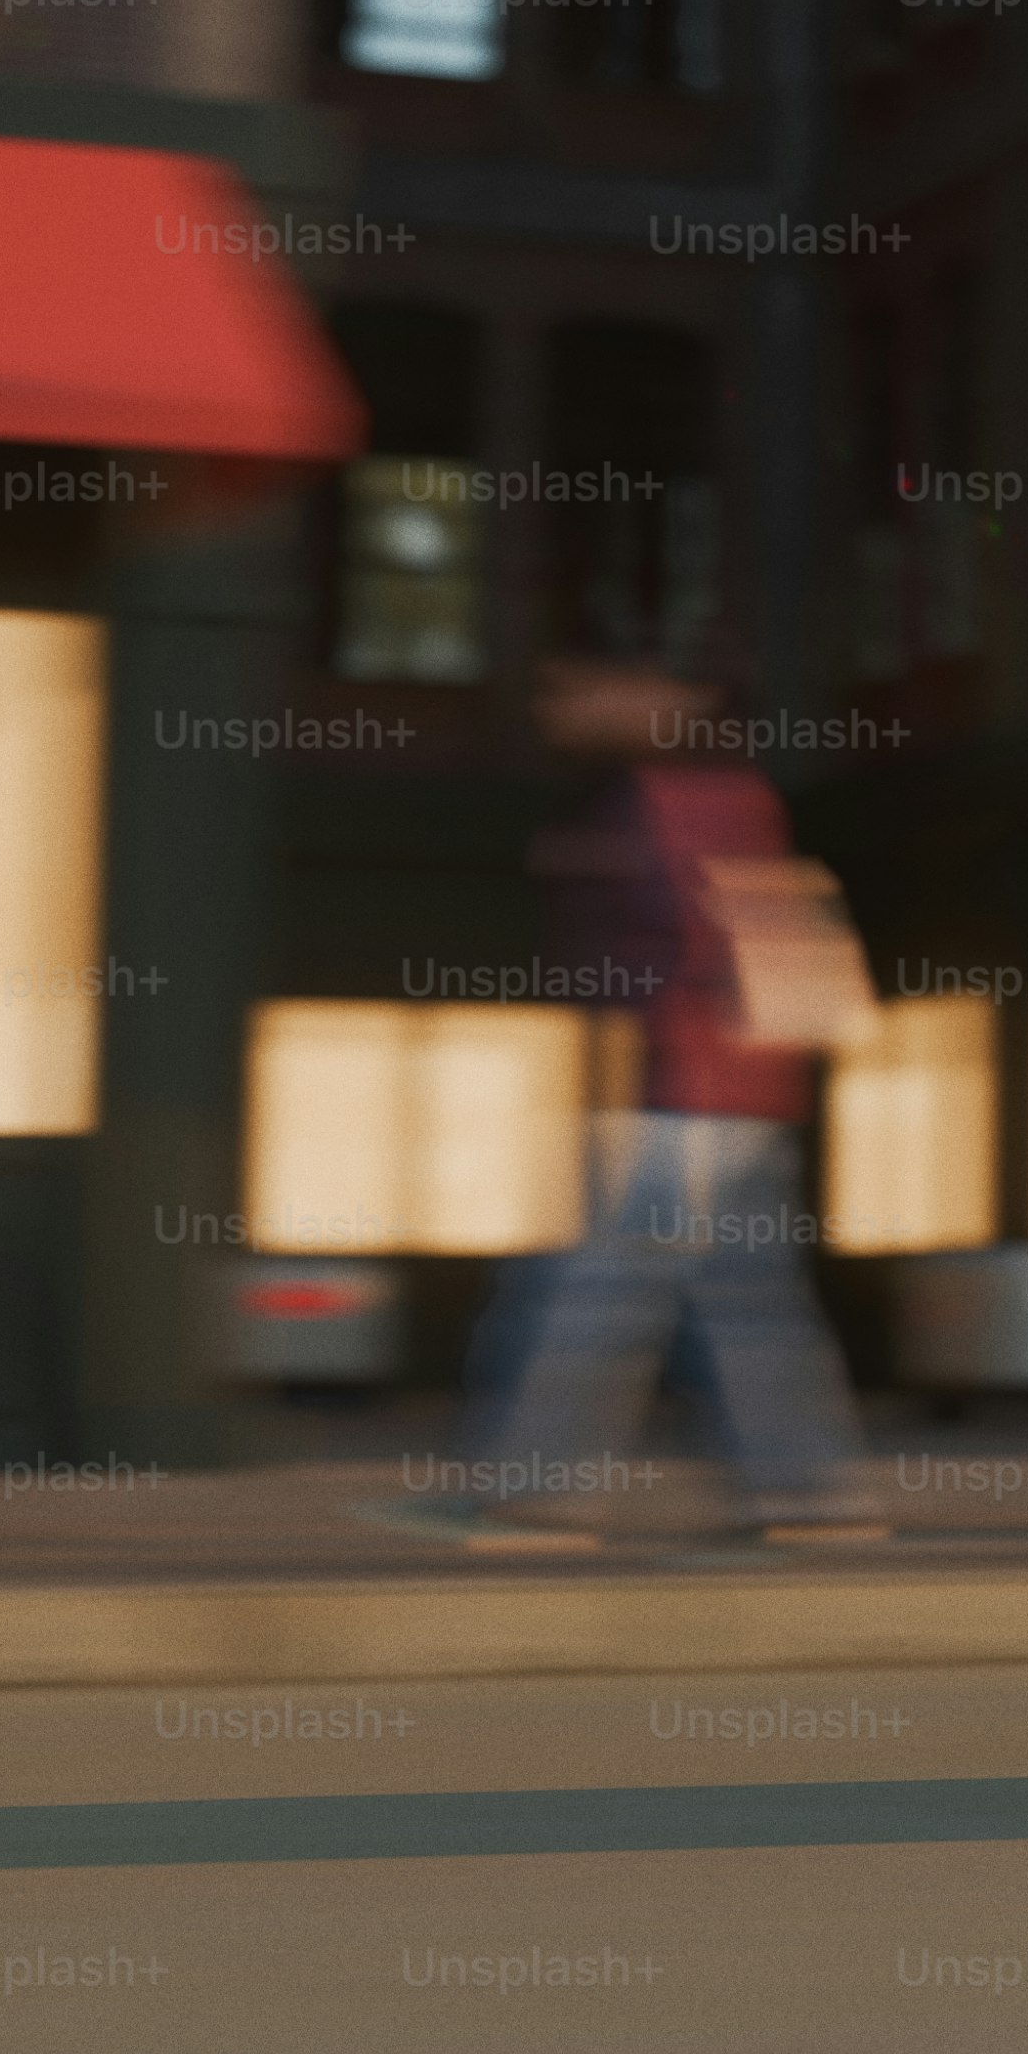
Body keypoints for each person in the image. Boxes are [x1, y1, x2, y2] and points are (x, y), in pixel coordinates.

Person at [411, 661, 889, 1552]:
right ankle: (816, 1498)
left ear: (660, 698)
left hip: (685, 1094)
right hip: (735, 1094)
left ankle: (537, 1499)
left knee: (595, 1294)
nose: (558, 703)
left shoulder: (665, 799)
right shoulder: (716, 794)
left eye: (583, 687)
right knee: (746, 1307)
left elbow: (688, 943)